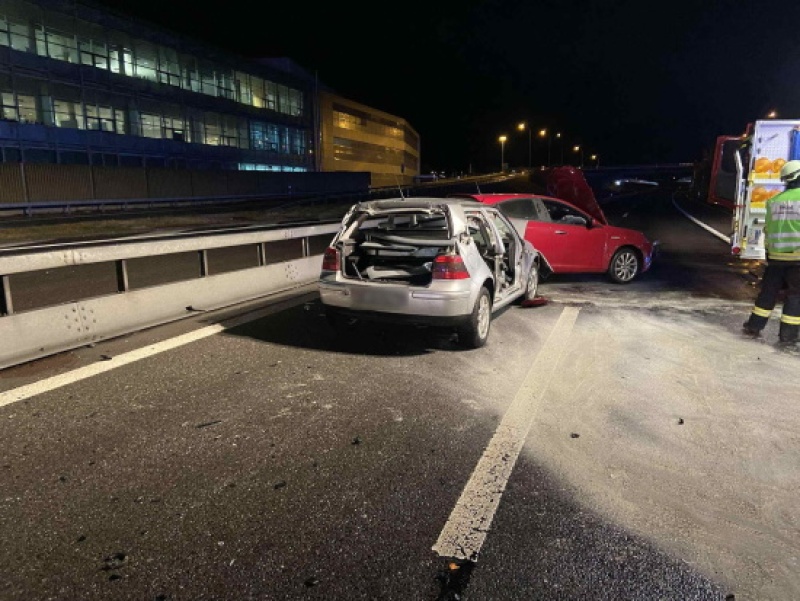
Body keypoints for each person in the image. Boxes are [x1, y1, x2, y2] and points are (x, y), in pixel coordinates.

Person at [743, 159, 800, 344]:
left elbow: (767, 230)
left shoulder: (773, 201)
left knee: (768, 292)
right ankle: (788, 336)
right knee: (795, 295)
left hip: (775, 257)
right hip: (797, 258)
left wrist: (768, 253)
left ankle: (753, 326)